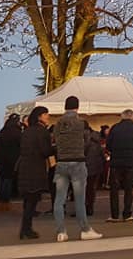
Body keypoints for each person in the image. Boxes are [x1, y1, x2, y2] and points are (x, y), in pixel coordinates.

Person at [52, 96, 103, 242]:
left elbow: (55, 140)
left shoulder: (58, 124)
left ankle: (61, 232)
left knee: (59, 199)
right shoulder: (81, 123)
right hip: (77, 163)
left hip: (61, 163)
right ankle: (85, 229)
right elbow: (87, 143)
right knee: (80, 199)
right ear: (77, 107)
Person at [18, 106, 54, 240]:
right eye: (45, 114)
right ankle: (26, 230)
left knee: (28, 201)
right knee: (32, 201)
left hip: (24, 167)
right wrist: (55, 149)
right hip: (36, 168)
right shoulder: (42, 132)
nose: (47, 116)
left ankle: (25, 229)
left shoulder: (27, 131)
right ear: (39, 116)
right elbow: (45, 151)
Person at [106, 109, 133, 222]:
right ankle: (127, 214)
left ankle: (114, 215)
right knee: (128, 188)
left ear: (122, 117)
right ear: (132, 117)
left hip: (116, 162)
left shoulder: (115, 128)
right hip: (131, 162)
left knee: (114, 189)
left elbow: (108, 145)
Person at [0, 114, 22, 212]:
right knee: (8, 179)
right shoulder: (17, 132)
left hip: (1, 159)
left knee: (2, 178)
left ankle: (1, 198)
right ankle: (6, 200)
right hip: (12, 159)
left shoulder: (2, 132)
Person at [84, 124, 105, 218]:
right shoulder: (97, 138)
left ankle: (84, 207)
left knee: (83, 189)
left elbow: (82, 151)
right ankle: (90, 207)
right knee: (91, 188)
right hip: (96, 166)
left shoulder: (84, 137)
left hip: (84, 166)